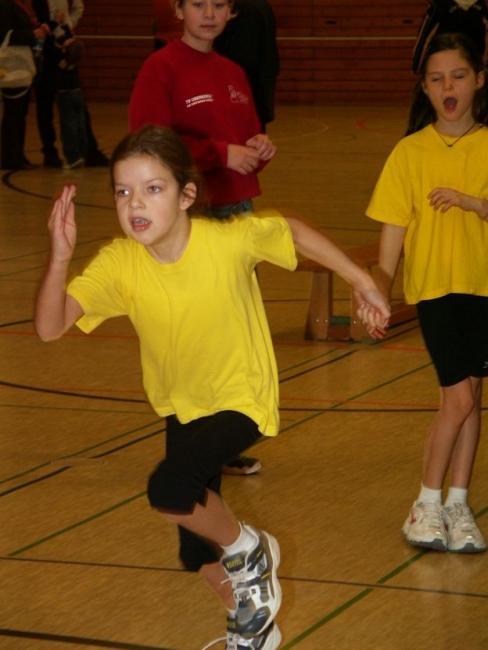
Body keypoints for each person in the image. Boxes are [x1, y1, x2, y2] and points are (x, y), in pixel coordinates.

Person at [34, 125, 390, 649]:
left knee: (170, 490)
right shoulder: (119, 262)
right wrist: (61, 256)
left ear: (186, 195)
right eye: (123, 191)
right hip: (182, 407)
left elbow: (289, 229)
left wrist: (363, 282)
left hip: (240, 397)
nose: (136, 203)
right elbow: (49, 326)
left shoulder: (226, 241)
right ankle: (253, 630)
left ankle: (251, 547)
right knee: (198, 553)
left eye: (153, 189)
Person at [130, 0, 278, 475]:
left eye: (219, 4)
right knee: (194, 335)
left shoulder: (233, 72)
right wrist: (218, 154)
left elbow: (246, 137)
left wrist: (259, 147)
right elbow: (149, 144)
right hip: (194, 214)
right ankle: (190, 439)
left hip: (236, 214)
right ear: (179, 9)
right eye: (198, 3)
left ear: (231, 12)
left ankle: (219, 440)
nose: (209, 13)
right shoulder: (161, 68)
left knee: (230, 337)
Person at [367, 33, 488, 553]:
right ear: (425, 88)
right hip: (437, 291)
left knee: (473, 398)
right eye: (436, 79)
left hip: (483, 288)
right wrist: (379, 288)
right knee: (457, 397)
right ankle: (425, 503)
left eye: (458, 76)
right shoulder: (409, 151)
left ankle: (459, 504)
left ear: (479, 80)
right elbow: (392, 228)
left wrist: (474, 203)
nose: (448, 87)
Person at [33, 0, 109, 168]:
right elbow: (39, 20)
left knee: (77, 103)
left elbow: (78, 6)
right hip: (45, 53)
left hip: (64, 48)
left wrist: (68, 25)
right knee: (45, 107)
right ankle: (50, 153)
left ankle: (89, 150)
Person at [214, 0, 280, 130]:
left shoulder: (243, 7)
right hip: (258, 83)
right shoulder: (261, 5)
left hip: (244, 89)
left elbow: (241, 56)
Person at [0, 0, 49, 170]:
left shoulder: (20, 5)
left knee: (19, 114)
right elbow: (6, 35)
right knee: (13, 114)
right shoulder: (5, 5)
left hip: (21, 67)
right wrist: (33, 34)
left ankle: (17, 155)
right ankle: (9, 157)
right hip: (13, 66)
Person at [49, 15, 87, 169]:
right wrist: (63, 24)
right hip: (76, 91)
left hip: (65, 92)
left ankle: (73, 157)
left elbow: (57, 43)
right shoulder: (73, 52)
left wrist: (57, 25)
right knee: (79, 124)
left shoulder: (61, 56)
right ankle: (81, 154)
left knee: (69, 125)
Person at [412, 0, 488, 73]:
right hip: (450, 66)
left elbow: (424, 40)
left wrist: (418, 66)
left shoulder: (482, 9)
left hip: (466, 69)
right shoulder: (439, 6)